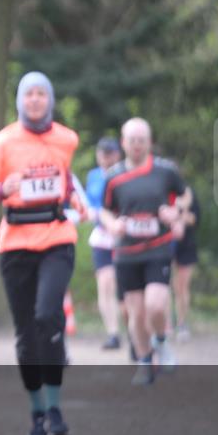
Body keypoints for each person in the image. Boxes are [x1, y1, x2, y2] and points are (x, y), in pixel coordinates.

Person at [0, 71, 85, 435]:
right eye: (29, 94)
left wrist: (70, 195)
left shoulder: (67, 138)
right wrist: (3, 187)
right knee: (26, 336)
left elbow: (63, 178)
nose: (35, 100)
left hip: (57, 238)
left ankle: (55, 406)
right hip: (16, 243)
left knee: (46, 315)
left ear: (49, 99)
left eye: (41, 94)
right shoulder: (3, 142)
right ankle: (37, 412)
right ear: (20, 100)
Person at [98, 118, 191, 386]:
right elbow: (103, 210)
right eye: (132, 140)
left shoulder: (165, 171)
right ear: (123, 142)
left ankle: (161, 341)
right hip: (127, 252)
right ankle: (143, 361)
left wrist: (177, 212)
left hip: (158, 248)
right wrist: (112, 223)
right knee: (136, 313)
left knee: (156, 304)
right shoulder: (113, 177)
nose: (137, 145)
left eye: (142, 140)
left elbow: (185, 196)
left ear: (149, 142)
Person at [84, 137, 125, 351]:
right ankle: (113, 333)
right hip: (102, 235)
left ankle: (134, 330)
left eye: (109, 153)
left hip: (123, 235)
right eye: (102, 153)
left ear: (117, 154)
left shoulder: (125, 173)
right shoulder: (93, 176)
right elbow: (90, 205)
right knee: (105, 283)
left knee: (124, 287)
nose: (105, 158)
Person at [171, 191, 200, 342]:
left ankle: (182, 323)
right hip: (164, 244)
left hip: (185, 246)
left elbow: (194, 219)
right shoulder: (158, 190)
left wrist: (178, 213)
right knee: (161, 286)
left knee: (182, 287)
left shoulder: (189, 195)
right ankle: (165, 325)